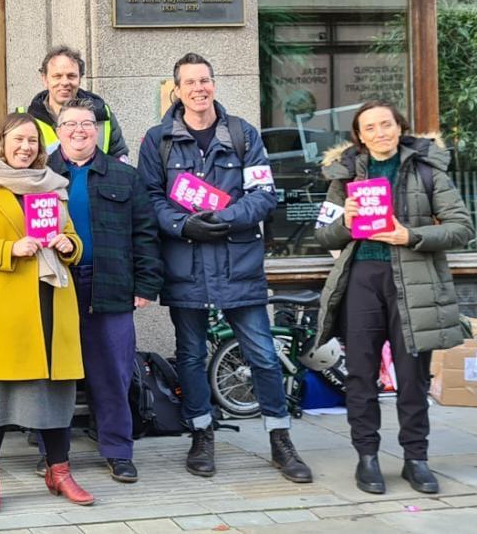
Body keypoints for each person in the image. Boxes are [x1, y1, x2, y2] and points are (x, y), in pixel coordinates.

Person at [137, 53, 311, 484]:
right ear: (176, 90)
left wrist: (225, 218)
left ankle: (280, 438)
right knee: (192, 357)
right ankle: (201, 434)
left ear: (214, 84)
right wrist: (183, 224)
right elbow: (150, 199)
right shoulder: (157, 139)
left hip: (239, 267)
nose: (199, 88)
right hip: (186, 267)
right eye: (190, 82)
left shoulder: (242, 134)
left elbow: (264, 195)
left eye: (205, 80)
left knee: (265, 357)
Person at [313, 101, 474, 496]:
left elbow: (461, 227)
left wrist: (412, 236)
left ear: (399, 127)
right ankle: (366, 457)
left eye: (386, 124)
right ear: (360, 135)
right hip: (363, 280)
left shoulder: (427, 169)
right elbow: (324, 235)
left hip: (414, 280)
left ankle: (415, 459)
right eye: (370, 127)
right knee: (361, 375)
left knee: (413, 377)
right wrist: (346, 222)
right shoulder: (345, 175)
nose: (380, 132)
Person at [0, 112, 89, 512]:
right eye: (18, 140)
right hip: (3, 308)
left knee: (56, 391)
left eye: (33, 141)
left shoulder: (53, 188)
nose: (26, 147)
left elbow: (72, 238)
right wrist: (8, 249)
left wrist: (69, 246)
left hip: (50, 302)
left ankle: (59, 471)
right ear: (1, 143)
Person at [47, 99, 162, 483]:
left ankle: (118, 450)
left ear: (97, 130)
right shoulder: (40, 174)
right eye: (70, 124)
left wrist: (145, 284)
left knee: (112, 372)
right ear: (58, 130)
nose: (79, 130)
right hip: (54, 285)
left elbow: (145, 233)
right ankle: (54, 454)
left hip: (109, 283)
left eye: (87, 124)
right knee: (54, 373)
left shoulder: (123, 175)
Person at [17, 46, 128, 160]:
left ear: (80, 79)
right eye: (57, 76)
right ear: (45, 79)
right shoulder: (24, 118)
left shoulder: (102, 114)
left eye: (71, 76)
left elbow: (119, 159)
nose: (65, 82)